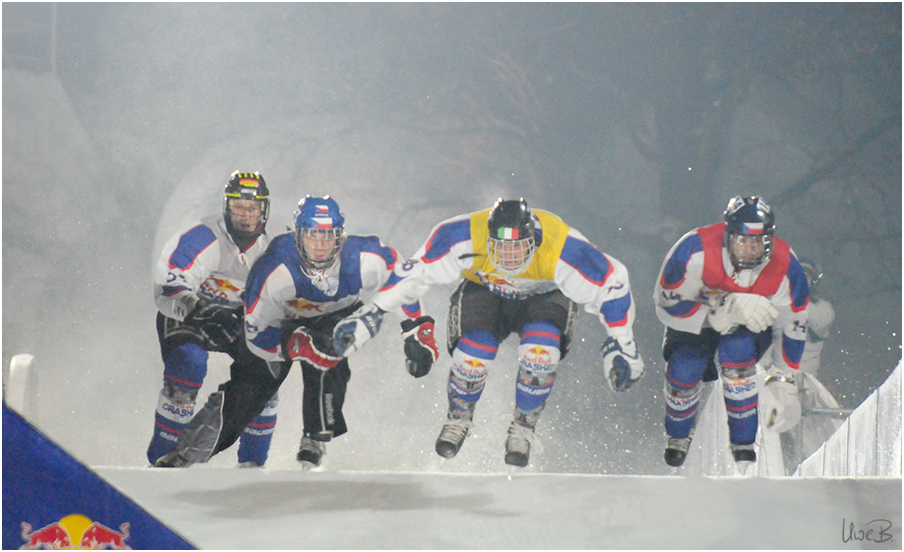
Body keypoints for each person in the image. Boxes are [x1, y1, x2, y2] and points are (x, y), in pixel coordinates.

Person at [332, 197, 646, 468]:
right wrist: (372, 313)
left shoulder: (561, 244)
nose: (509, 258)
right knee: (473, 354)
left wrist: (622, 342)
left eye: (518, 248)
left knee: (541, 352)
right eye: (501, 247)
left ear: (535, 240)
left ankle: (524, 426)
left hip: (544, 296)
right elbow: (414, 273)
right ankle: (458, 417)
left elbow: (612, 283)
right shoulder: (460, 235)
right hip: (485, 289)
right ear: (487, 238)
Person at [155, 195, 428, 469]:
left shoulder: (365, 255)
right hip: (284, 324)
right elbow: (256, 336)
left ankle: (315, 436)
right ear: (297, 236)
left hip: (335, 316)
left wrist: (416, 330)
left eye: (328, 237)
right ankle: (187, 453)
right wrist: (294, 346)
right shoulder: (272, 268)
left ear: (342, 237)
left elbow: (403, 281)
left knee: (331, 351)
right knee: (253, 383)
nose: (320, 247)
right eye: (312, 237)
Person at [653, 195, 809, 467]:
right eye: (743, 241)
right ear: (728, 237)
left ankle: (743, 441)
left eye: (758, 242)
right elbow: (665, 303)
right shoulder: (693, 249)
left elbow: (793, 323)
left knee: (737, 353)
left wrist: (784, 379)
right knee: (685, 366)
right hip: (697, 320)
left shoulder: (786, 265)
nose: (750, 249)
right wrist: (714, 313)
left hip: (746, 328)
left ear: (769, 240)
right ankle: (677, 434)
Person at [147, 171, 278, 468]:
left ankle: (252, 466)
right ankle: (160, 460)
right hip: (190, 314)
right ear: (226, 207)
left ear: (264, 211)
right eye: (238, 207)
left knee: (266, 375)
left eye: (252, 209)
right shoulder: (203, 236)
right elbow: (166, 285)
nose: (245, 216)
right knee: (188, 365)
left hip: (237, 319)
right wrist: (197, 309)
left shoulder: (275, 247)